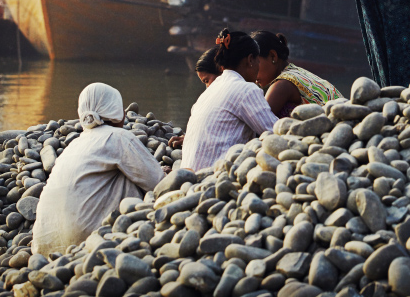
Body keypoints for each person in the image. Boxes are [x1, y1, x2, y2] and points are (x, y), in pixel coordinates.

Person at [32, 83, 164, 255]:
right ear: (115, 111)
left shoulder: (75, 144)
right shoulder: (118, 137)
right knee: (131, 177)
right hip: (88, 243)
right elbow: (159, 183)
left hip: (44, 246)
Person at [180, 29, 278, 171]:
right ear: (250, 60)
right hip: (214, 179)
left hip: (187, 177)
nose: (258, 67)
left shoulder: (206, 94)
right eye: (258, 61)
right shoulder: (246, 90)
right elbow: (275, 132)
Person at [251, 30, 344, 118]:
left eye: (256, 63)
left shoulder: (283, 84)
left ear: (273, 56)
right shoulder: (296, 72)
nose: (253, 72)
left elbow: (259, 122)